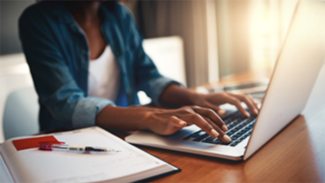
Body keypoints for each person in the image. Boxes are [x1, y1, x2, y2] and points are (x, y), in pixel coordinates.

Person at [19, 1, 259, 143]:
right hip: (71, 141)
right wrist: (148, 117)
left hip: (127, 134)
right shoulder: (37, 21)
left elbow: (148, 76)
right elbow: (65, 103)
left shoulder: (120, 15)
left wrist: (197, 97)